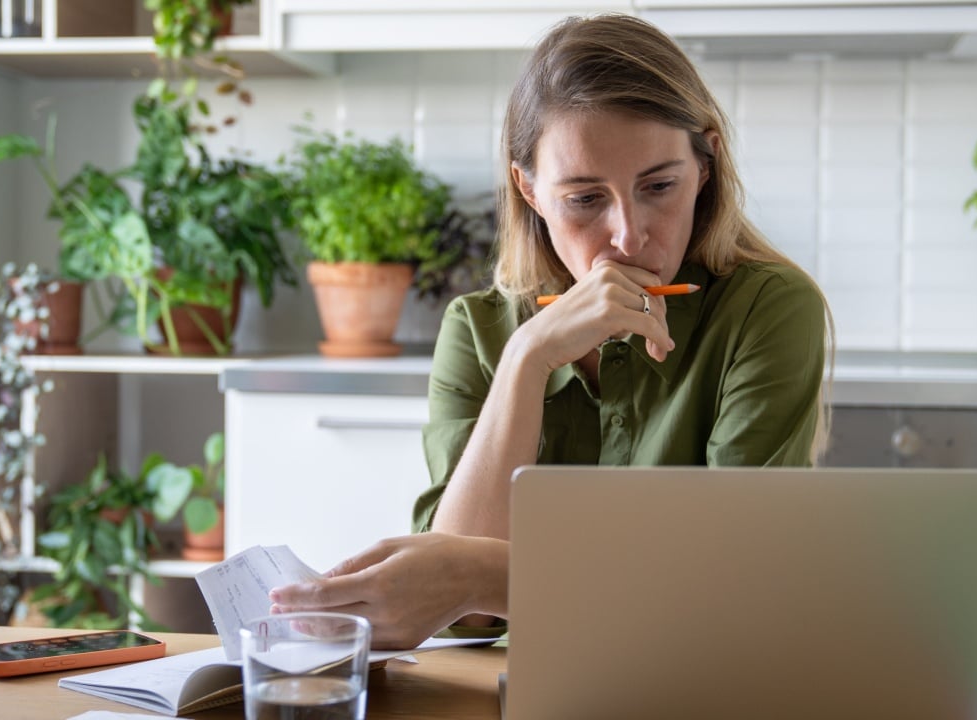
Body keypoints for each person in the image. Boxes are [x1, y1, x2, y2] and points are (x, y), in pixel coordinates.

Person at [269, 12, 833, 649]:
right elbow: (462, 617)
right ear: (529, 190)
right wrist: (527, 359)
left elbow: (735, 584)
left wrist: (480, 574)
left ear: (706, 165)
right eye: (585, 199)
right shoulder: (479, 330)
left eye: (659, 186)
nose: (627, 235)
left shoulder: (769, 308)